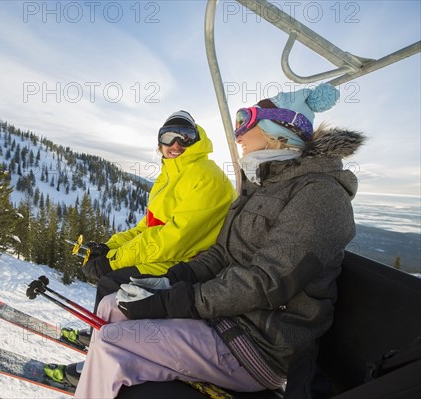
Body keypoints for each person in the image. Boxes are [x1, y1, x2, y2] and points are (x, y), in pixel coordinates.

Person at [71, 83, 365, 398]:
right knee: (112, 306)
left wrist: (173, 300)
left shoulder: (320, 196)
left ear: (277, 130)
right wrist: (170, 280)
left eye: (245, 121)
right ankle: (101, 378)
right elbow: (221, 255)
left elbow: (265, 282)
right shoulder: (262, 187)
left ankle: (102, 375)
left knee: (110, 342)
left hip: (257, 345)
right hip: (224, 319)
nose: (237, 135)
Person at [46, 110, 236, 384]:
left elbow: (173, 238)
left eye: (186, 136)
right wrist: (108, 247)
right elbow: (146, 228)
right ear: (159, 143)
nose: (176, 144)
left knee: (112, 284)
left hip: (188, 262)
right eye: (168, 137)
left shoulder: (204, 175)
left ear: (197, 140)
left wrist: (115, 261)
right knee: (111, 281)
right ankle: (104, 339)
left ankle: (105, 359)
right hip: (169, 254)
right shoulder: (169, 175)